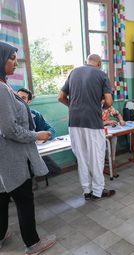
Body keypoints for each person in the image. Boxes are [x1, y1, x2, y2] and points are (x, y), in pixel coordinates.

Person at [0, 41, 56, 254]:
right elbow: (9, 129)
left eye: (16, 58)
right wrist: (36, 135)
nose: (16, 63)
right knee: (24, 199)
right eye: (11, 58)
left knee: (2, 195)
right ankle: (33, 244)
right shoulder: (1, 89)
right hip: (12, 156)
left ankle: (1, 234)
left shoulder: (3, 84)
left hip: (3, 156)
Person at [58, 54, 115, 201]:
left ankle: (86, 191)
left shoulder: (74, 72)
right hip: (92, 123)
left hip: (74, 122)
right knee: (96, 157)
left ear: (86, 62)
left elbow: (60, 97)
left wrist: (74, 107)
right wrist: (100, 108)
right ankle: (98, 191)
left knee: (81, 157)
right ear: (99, 63)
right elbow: (108, 101)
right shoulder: (101, 75)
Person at [17, 88, 61, 189]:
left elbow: (51, 130)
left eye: (23, 98)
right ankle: (29, 179)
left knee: (55, 169)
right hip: (18, 154)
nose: (18, 100)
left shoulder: (35, 115)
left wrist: (42, 136)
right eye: (17, 97)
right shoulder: (10, 116)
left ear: (29, 102)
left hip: (35, 151)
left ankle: (30, 175)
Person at [102, 101, 126, 166]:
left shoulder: (108, 107)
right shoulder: (94, 107)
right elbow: (96, 122)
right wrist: (108, 121)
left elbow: (118, 114)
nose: (103, 101)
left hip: (107, 129)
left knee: (114, 137)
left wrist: (121, 120)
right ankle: (101, 161)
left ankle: (110, 159)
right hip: (97, 129)